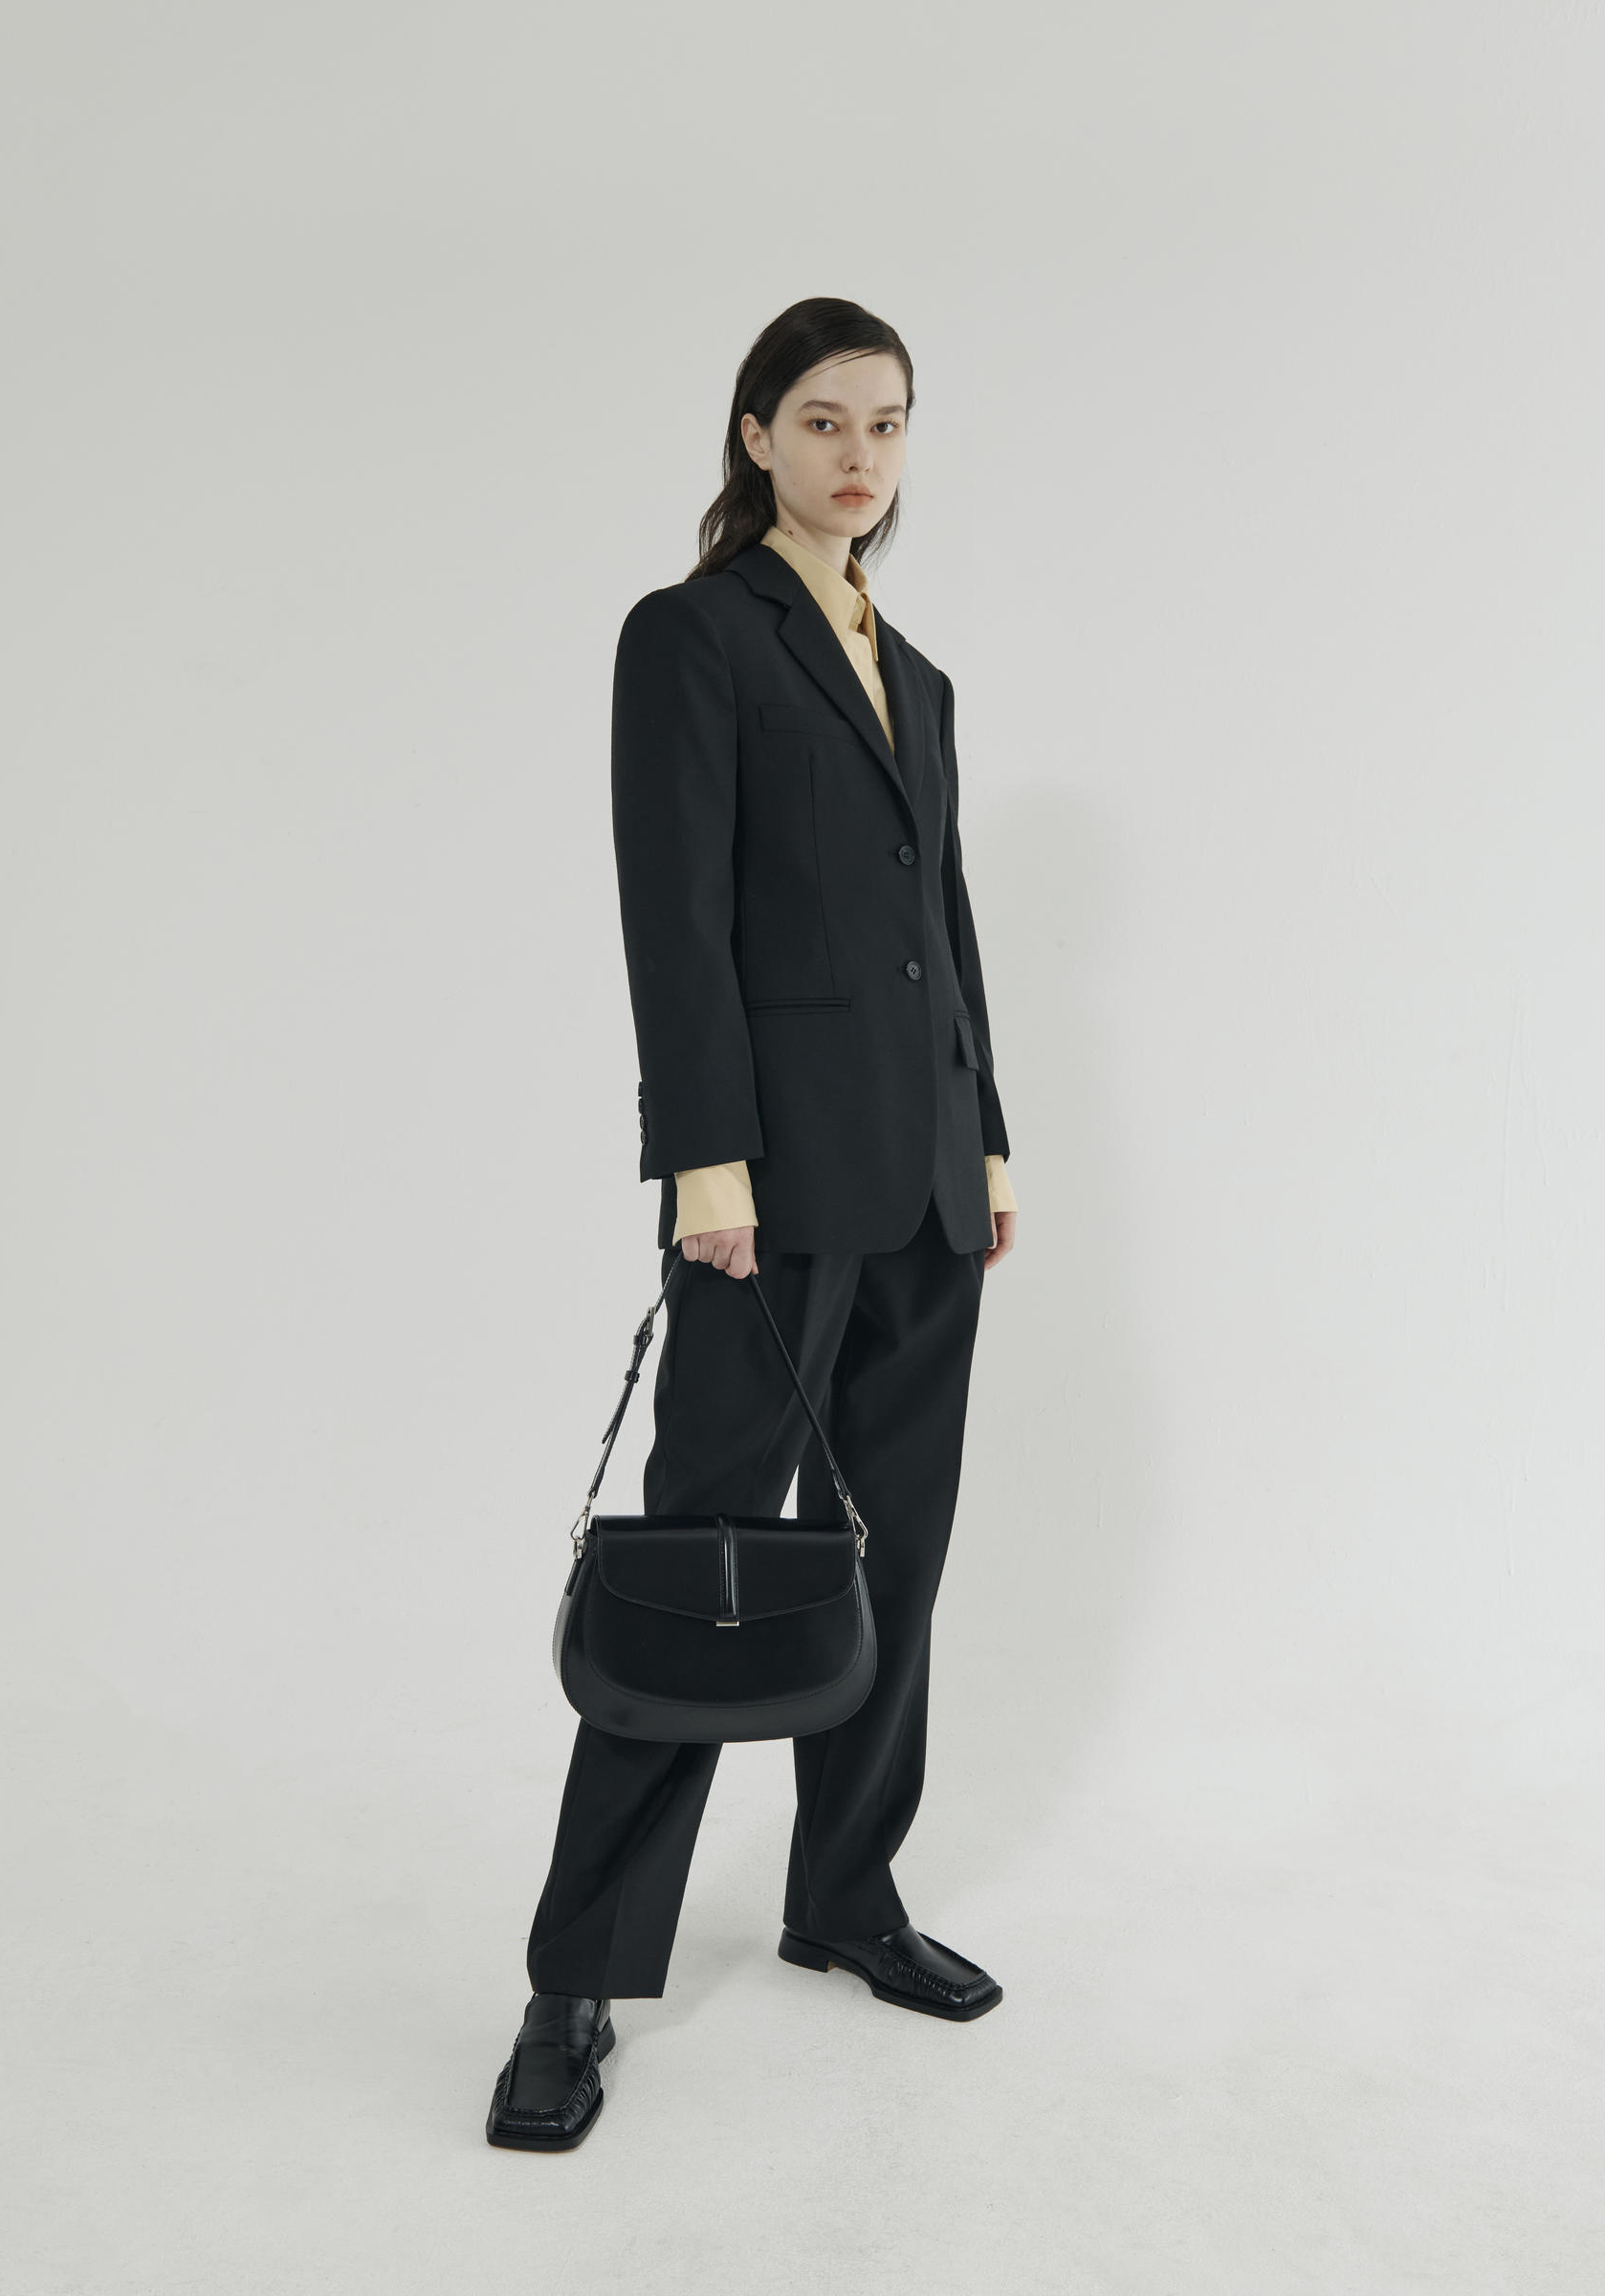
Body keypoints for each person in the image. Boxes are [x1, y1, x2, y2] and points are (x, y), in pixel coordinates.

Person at [486, 297, 1019, 2151]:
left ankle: (845, 1898)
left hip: (928, 1185)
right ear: (755, 435)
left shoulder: (918, 675)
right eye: (824, 420)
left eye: (888, 422)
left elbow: (944, 922)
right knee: (698, 1579)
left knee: (893, 1564)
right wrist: (703, 1167)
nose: (861, 455)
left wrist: (990, 1142)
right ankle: (574, 1981)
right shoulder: (693, 635)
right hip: (770, 1192)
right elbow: (676, 914)